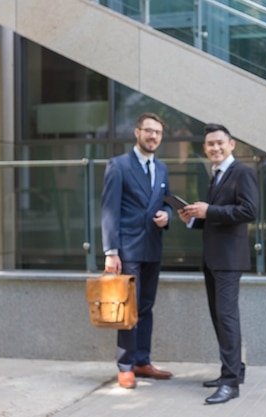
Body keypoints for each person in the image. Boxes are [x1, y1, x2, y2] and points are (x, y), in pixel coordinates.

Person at [178, 123, 259, 405]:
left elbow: (249, 211)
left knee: (226, 319)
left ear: (231, 144)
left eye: (219, 143)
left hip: (229, 260)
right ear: (205, 148)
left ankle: (230, 383)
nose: (214, 148)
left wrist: (208, 210)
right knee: (219, 318)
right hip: (212, 259)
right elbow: (219, 219)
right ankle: (234, 370)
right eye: (209, 144)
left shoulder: (242, 172)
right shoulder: (216, 174)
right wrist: (193, 218)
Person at [101, 112, 174, 389]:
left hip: (153, 248)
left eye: (157, 132)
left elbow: (166, 202)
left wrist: (168, 215)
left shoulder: (163, 168)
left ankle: (143, 361)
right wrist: (111, 251)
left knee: (146, 308)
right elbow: (109, 210)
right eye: (148, 131)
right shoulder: (118, 165)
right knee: (127, 310)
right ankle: (126, 366)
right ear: (137, 132)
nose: (153, 136)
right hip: (127, 250)